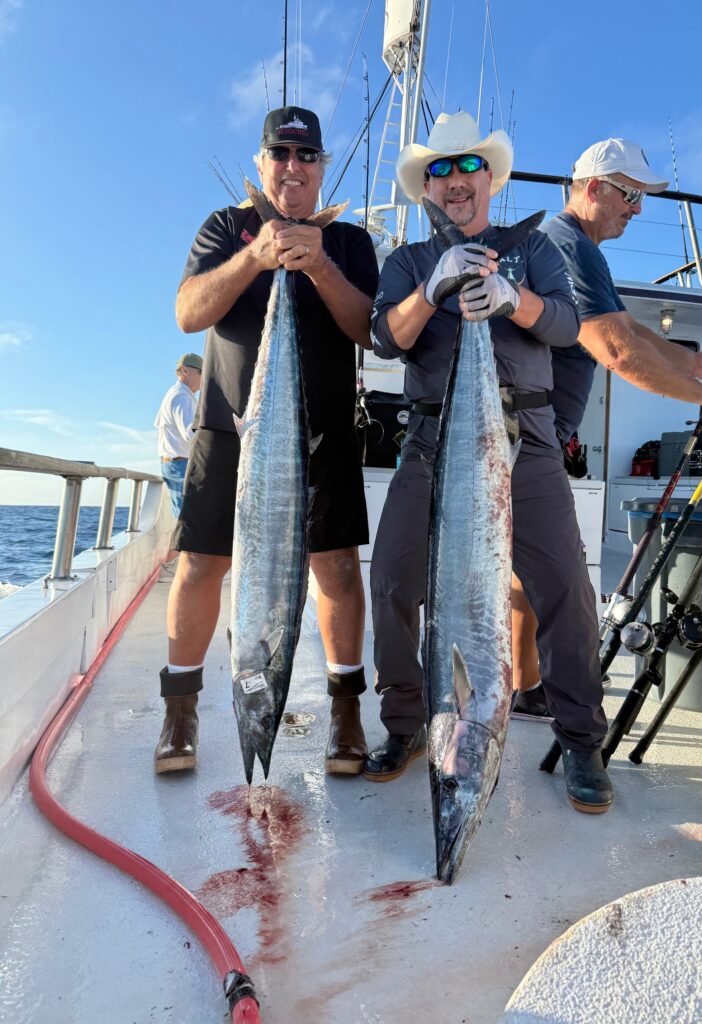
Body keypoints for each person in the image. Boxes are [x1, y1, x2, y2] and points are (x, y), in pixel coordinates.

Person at [363, 111, 612, 814]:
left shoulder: (533, 248)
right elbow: (384, 338)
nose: (455, 180)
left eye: (468, 165)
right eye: (439, 170)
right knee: (391, 580)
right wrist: (432, 289)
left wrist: (512, 298)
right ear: (427, 189)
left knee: (565, 588)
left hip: (526, 438)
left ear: (490, 178)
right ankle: (408, 725)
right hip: (433, 440)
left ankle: (581, 742)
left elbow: (567, 325)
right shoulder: (409, 261)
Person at [154, 106, 378, 777]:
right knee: (201, 564)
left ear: (321, 167)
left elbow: (368, 329)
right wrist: (257, 257)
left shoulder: (349, 242)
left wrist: (318, 266)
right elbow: (188, 312)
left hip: (323, 435)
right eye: (280, 153)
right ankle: (180, 712)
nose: (293, 166)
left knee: (337, 568)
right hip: (229, 430)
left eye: (306, 155)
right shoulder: (226, 227)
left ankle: (345, 712)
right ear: (261, 163)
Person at [509, 137, 702, 722]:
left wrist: (692, 362)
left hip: (528, 440)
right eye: (631, 196)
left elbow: (629, 331)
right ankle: (558, 701)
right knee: (564, 581)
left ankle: (524, 685)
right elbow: (615, 350)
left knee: (526, 574)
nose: (637, 210)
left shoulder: (574, 246)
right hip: (529, 443)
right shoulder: (569, 245)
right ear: (595, 188)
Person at [154, 352, 202, 575]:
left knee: (184, 516)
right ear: (186, 371)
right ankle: (175, 565)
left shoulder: (177, 394)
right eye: (201, 373)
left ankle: (173, 561)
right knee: (188, 518)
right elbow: (190, 435)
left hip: (174, 464)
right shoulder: (182, 397)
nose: (202, 379)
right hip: (180, 465)